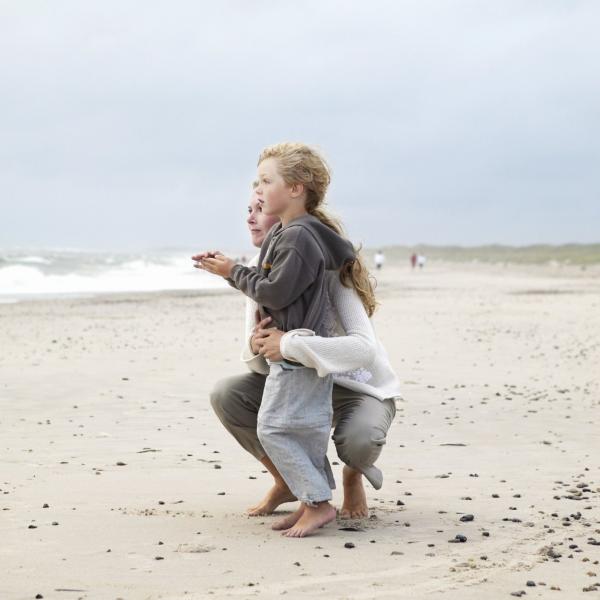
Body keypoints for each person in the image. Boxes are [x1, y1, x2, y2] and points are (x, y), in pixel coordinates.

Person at [193, 149, 401, 535]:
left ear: (287, 208)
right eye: (249, 206)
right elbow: (265, 351)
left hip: (354, 386)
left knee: (352, 440)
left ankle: (350, 478)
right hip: (299, 374)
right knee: (228, 394)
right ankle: (293, 484)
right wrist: (258, 344)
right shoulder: (266, 269)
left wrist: (287, 344)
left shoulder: (317, 264)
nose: (251, 214)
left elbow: (361, 350)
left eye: (259, 204)